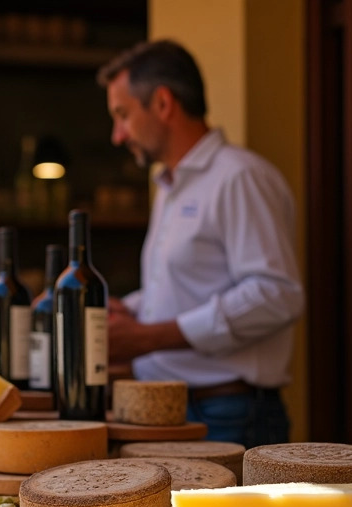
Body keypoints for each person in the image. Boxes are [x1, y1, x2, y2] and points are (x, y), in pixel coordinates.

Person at [98, 40, 304, 447]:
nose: (117, 136)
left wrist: (149, 337)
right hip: (170, 410)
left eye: (122, 115)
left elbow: (277, 295)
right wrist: (127, 309)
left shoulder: (239, 177)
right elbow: (188, 287)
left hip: (227, 414)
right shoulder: (170, 186)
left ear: (162, 103)